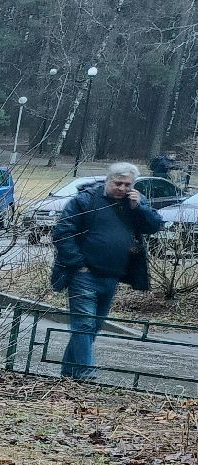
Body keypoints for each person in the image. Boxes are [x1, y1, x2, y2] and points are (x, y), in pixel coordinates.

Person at [51, 161, 164, 381]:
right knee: (83, 323)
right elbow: (63, 232)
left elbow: (154, 226)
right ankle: (86, 373)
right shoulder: (86, 200)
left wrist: (140, 207)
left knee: (93, 326)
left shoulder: (134, 203)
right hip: (84, 274)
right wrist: (77, 263)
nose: (122, 188)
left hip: (112, 275)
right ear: (108, 180)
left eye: (127, 184)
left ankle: (69, 371)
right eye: (118, 183)